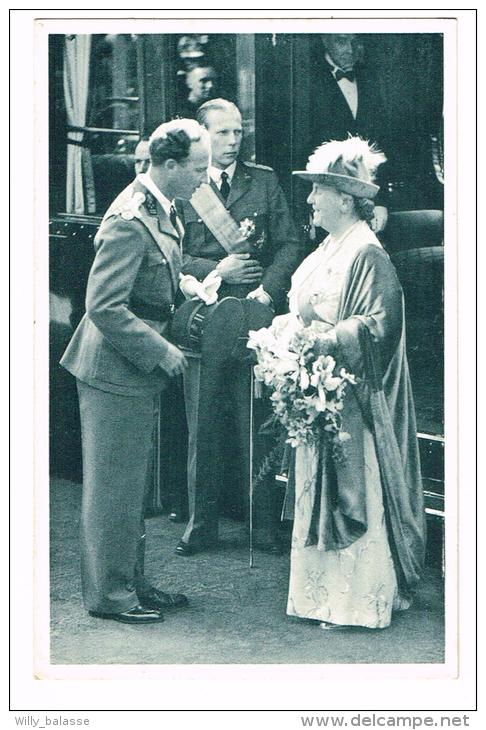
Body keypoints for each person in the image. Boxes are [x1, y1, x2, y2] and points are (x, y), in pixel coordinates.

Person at [60, 119, 211, 624]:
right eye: (198, 168)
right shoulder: (130, 218)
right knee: (113, 489)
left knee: (133, 486)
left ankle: (131, 582)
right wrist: (161, 351)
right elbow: (103, 305)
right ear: (168, 166)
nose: (204, 179)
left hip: (130, 369)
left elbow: (157, 267)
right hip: (112, 369)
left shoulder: (160, 206)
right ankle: (111, 596)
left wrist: (184, 283)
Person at [276, 137, 426, 629]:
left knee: (352, 491)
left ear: (343, 198)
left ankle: (357, 601)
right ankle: (320, 598)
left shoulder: (367, 252)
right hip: (324, 386)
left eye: (318, 190)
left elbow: (379, 327)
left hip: (352, 397)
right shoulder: (331, 245)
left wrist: (321, 341)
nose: (310, 199)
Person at [175, 98, 301, 556]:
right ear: (202, 137)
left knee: (258, 423)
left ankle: (263, 526)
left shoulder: (263, 183)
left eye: (237, 132)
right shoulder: (185, 185)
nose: (232, 140)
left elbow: (290, 243)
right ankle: (200, 524)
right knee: (203, 426)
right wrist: (219, 269)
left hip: (254, 317)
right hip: (205, 318)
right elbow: (171, 252)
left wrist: (267, 290)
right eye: (222, 133)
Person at [310, 34, 389, 234]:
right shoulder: (307, 78)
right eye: (341, 41)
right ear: (325, 40)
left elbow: (380, 145)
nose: (350, 50)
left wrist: (380, 202)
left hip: (367, 201)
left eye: (355, 42)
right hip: (326, 203)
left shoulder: (369, 78)